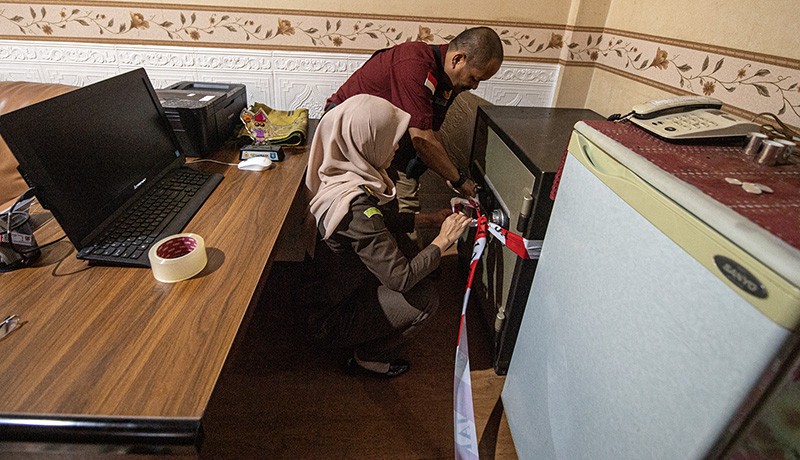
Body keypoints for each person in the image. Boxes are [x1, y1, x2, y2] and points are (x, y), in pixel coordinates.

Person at [306, 94, 472, 377]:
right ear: (365, 141)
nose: (396, 145)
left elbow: (378, 223)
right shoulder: (356, 207)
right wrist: (443, 240)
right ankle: (367, 359)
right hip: (329, 320)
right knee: (425, 298)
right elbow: (401, 277)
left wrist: (427, 219)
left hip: (328, 293)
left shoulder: (340, 173)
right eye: (388, 138)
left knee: (413, 257)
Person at [325, 26, 504, 214]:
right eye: (474, 78)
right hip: (346, 140)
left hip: (387, 147)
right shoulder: (413, 62)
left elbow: (432, 134)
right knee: (371, 211)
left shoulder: (447, 81)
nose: (475, 86)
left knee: (404, 205)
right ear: (458, 59)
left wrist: (452, 172)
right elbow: (422, 141)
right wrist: (459, 181)